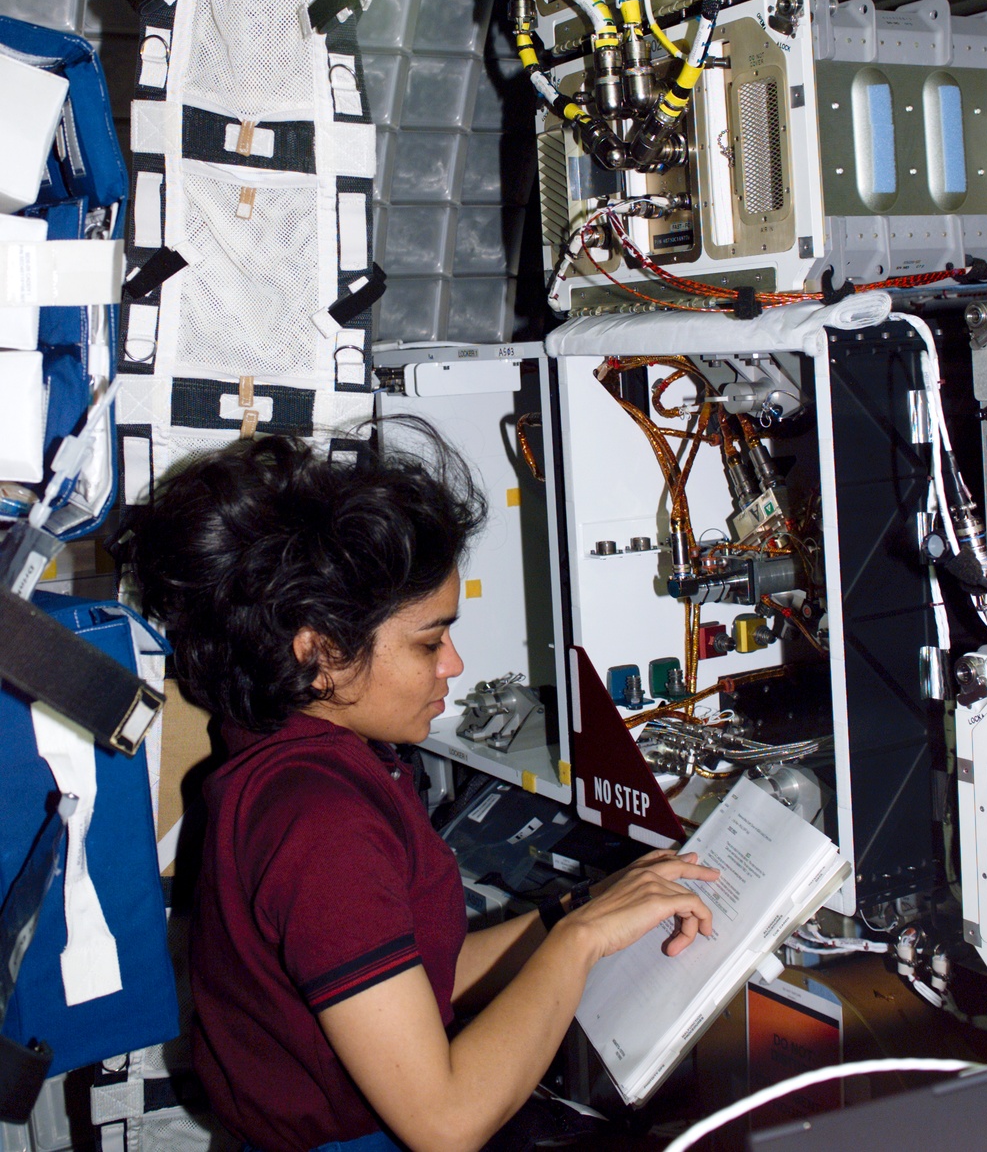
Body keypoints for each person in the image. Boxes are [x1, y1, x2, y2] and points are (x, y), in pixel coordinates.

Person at [129, 431, 718, 1152]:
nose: (455, 663)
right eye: (427, 641)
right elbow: (443, 1123)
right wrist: (580, 940)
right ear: (318, 655)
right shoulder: (320, 822)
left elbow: (421, 973)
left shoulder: (295, 759)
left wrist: (587, 909)